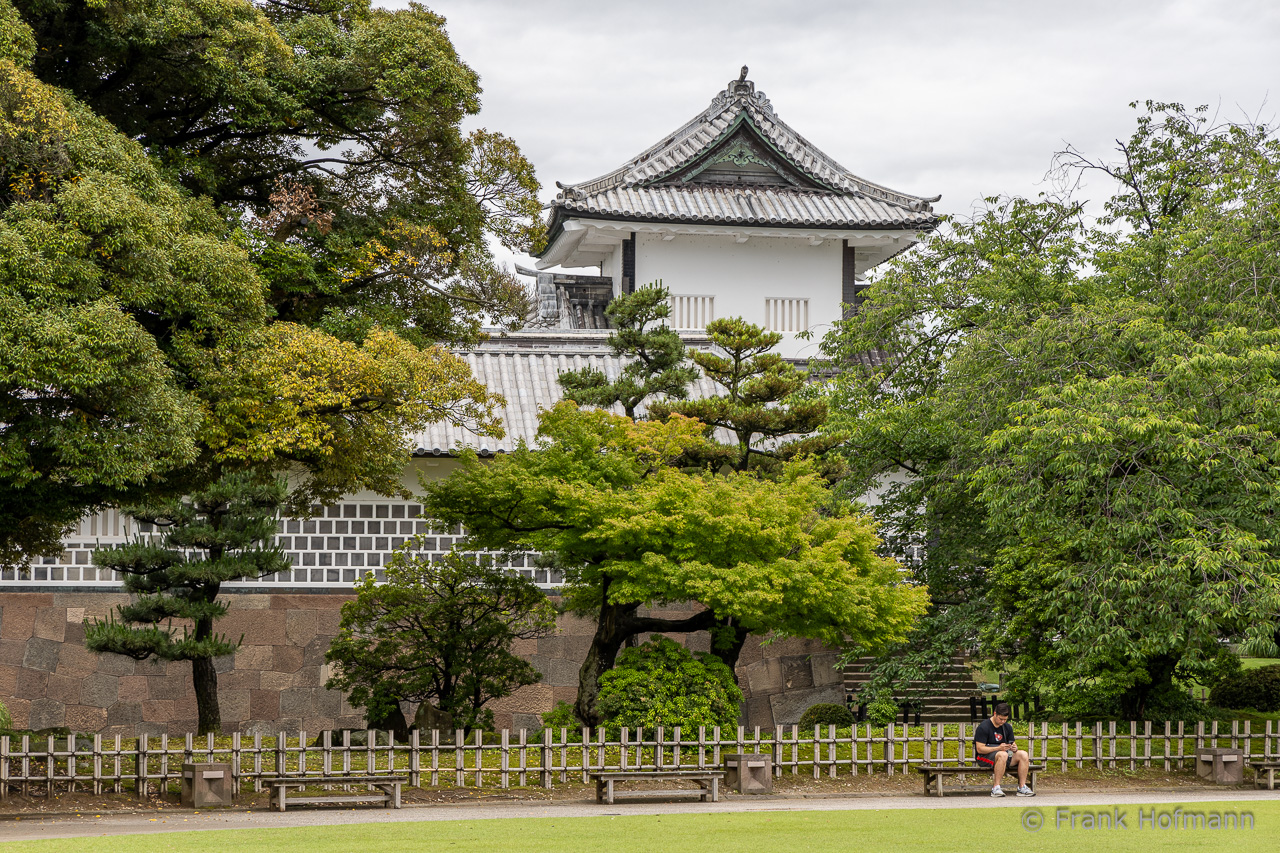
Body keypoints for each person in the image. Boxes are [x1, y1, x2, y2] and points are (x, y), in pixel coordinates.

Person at [973, 702, 1034, 797]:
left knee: (1023, 754)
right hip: (984, 757)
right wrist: (998, 748)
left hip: (1005, 754)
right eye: (1000, 719)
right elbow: (980, 749)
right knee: (1003, 754)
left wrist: (1014, 747)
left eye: (1005, 720)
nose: (1002, 722)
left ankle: (1022, 787)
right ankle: (996, 787)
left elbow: (1012, 742)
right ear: (995, 714)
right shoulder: (983, 727)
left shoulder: (1007, 727)